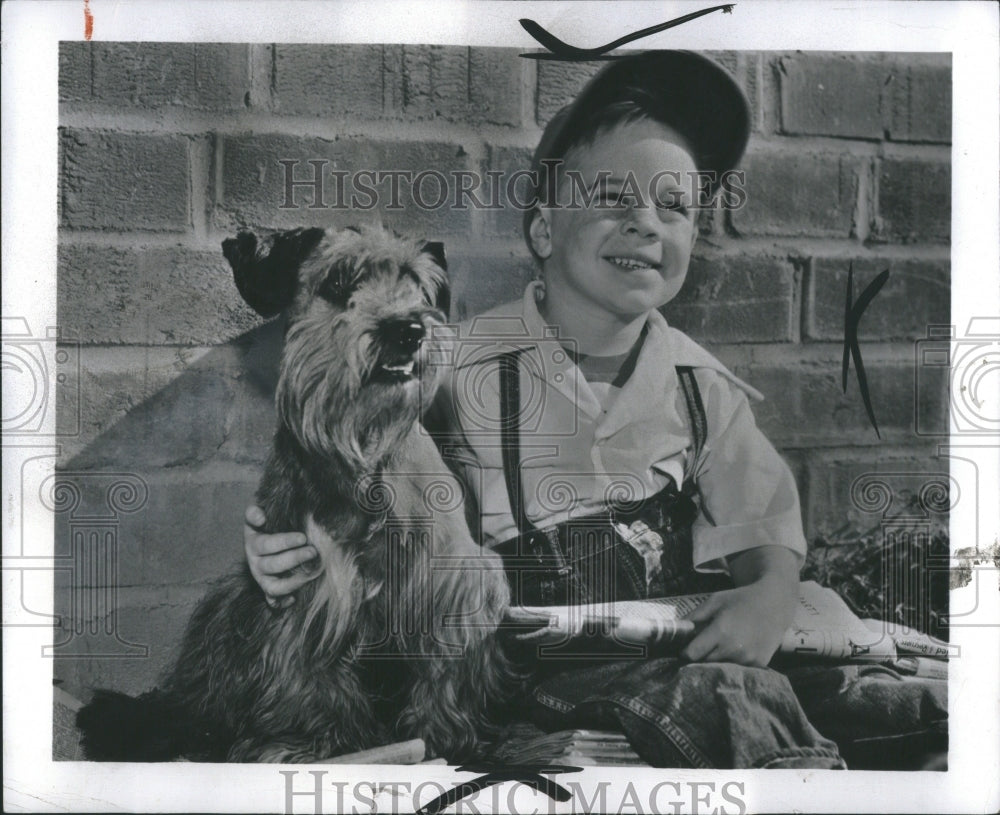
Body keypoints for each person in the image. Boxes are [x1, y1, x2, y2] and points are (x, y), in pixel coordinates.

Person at [241, 51, 848, 768]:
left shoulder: (701, 389)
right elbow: (345, 451)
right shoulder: (454, 365)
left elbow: (765, 533)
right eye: (615, 198)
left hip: (668, 663)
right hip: (515, 683)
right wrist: (271, 544)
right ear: (541, 229)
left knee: (880, 697)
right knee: (731, 701)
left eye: (674, 206)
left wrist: (770, 596)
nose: (646, 224)